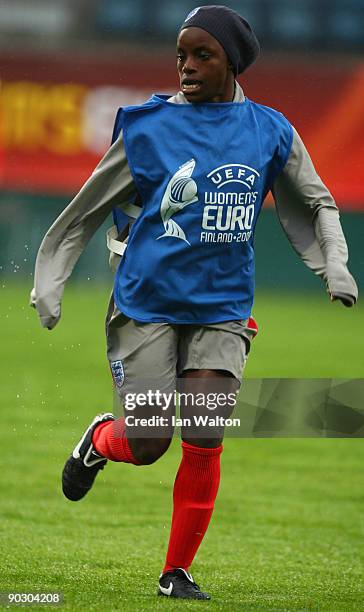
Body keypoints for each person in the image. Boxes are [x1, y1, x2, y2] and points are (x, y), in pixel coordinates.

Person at [31, 5, 358, 601]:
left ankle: (175, 574)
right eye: (181, 55)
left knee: (205, 433)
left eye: (201, 55)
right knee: (150, 442)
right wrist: (49, 280)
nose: (186, 66)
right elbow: (84, 211)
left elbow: (316, 203)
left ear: (231, 62)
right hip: (147, 305)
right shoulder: (149, 127)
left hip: (223, 309)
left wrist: (332, 266)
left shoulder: (270, 130)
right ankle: (102, 439)